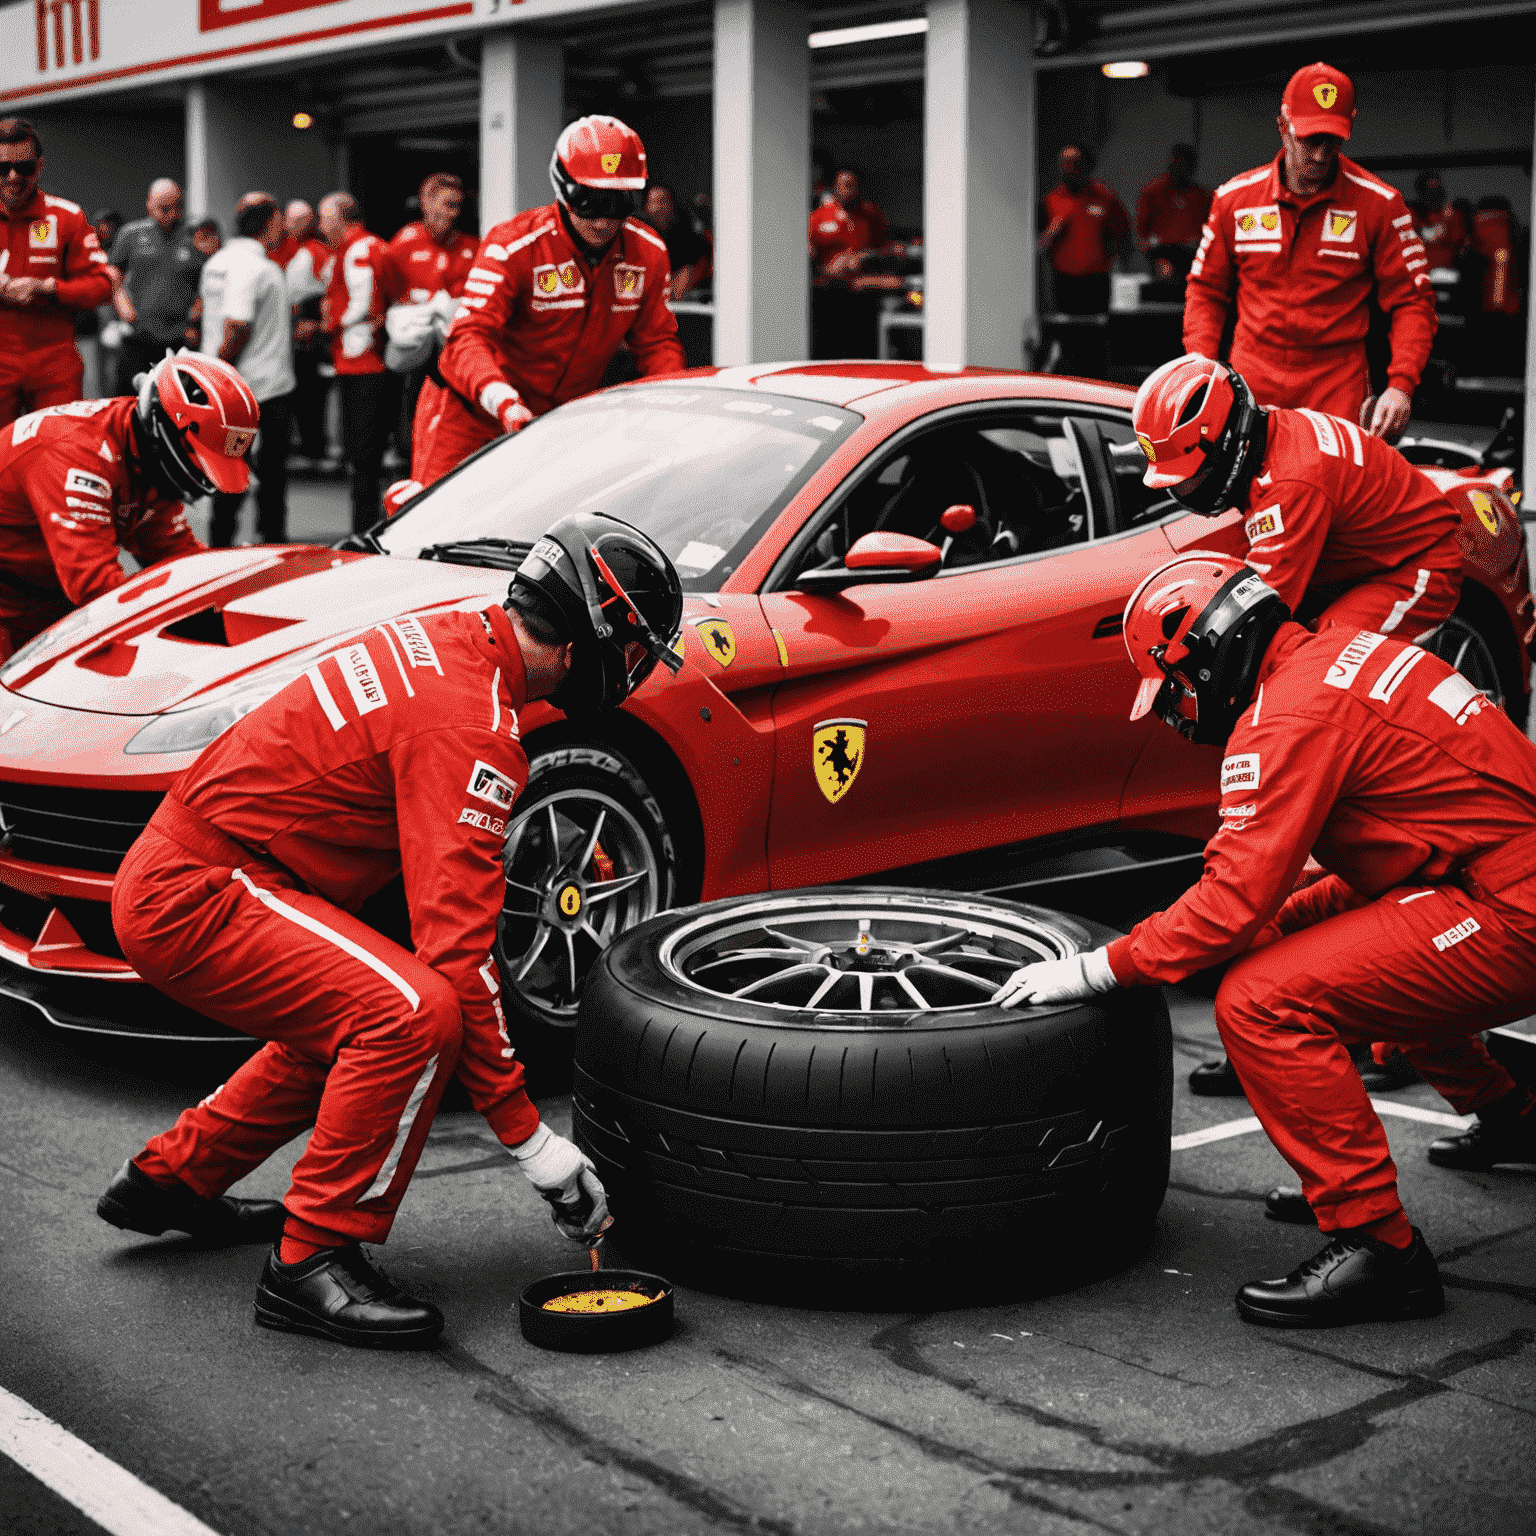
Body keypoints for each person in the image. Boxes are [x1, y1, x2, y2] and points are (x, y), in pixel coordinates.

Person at [97, 514, 685, 1350]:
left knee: (360, 1010)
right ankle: (311, 1261)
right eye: (634, 652)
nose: (631, 675)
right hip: (201, 888)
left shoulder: (453, 635)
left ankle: (171, 1181)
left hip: (199, 865)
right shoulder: (472, 724)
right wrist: (532, 1143)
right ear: (598, 630)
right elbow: (459, 953)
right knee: (411, 1014)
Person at [994, 551, 1536, 1328]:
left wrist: (1094, 971)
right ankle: (1511, 1115)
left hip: (1504, 902)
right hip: (1473, 866)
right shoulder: (1346, 649)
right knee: (1299, 935)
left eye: (1174, 686)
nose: (1178, 710)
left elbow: (1227, 906)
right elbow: (1272, 897)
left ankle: (1377, 1247)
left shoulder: (1286, 714)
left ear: (1209, 652)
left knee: (1261, 1001)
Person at [1132, 353, 1467, 1097]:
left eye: (1187, 478)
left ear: (1222, 445)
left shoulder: (1290, 486)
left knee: (1304, 711)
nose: (1185, 495)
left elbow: (1247, 638)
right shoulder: (1265, 449)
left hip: (1412, 566)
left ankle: (1347, 1013)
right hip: (1361, 563)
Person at [413, 115, 684, 488]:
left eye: (618, 201)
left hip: (556, 423)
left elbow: (656, 342)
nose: (603, 220)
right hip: (472, 412)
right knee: (435, 531)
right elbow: (469, 336)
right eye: (589, 200)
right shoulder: (512, 245)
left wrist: (673, 408)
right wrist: (502, 399)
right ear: (563, 185)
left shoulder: (648, 252)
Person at [1185, 63, 1436, 439]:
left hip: (1336, 387)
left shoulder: (1380, 204)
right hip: (1252, 381)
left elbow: (1413, 301)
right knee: (1249, 494)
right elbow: (1206, 289)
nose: (1320, 155)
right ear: (1283, 127)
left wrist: (1401, 385)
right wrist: (1200, 364)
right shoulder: (1233, 200)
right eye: (1310, 140)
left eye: (1332, 142)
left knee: (1332, 495)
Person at [0, 352, 253, 658]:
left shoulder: (141, 453)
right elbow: (96, 589)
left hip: (43, 591)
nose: (201, 480)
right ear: (166, 428)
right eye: (198, 460)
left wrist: (235, 584)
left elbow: (172, 555)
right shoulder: (79, 457)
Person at [0, 117, 112, 428]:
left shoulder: (67, 216)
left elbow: (103, 286)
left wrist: (47, 287)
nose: (12, 177)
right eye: (2, 168)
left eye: (23, 168)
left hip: (53, 359)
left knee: (59, 451)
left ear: (39, 165)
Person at [199, 193, 295, 547]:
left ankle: (220, 541)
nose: (283, 228)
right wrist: (223, 366)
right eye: (279, 221)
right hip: (262, 391)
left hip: (230, 390)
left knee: (228, 468)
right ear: (267, 224)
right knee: (268, 473)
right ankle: (271, 541)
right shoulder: (256, 267)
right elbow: (236, 326)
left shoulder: (218, 262)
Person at [318, 191, 396, 531]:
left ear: (340, 219)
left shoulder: (360, 248)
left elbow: (363, 303)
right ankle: (367, 524)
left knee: (363, 457)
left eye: (324, 219)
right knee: (368, 456)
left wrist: (328, 324)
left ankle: (364, 529)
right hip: (366, 360)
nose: (321, 227)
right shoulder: (364, 247)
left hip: (363, 361)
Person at [384, 172, 478, 451]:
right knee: (411, 419)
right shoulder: (402, 244)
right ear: (426, 203)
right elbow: (386, 290)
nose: (452, 213)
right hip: (413, 349)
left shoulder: (473, 248)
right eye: (447, 205)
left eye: (457, 206)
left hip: (454, 350)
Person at [1040, 146, 1132, 377]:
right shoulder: (1050, 201)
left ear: (1088, 166)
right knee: (1068, 345)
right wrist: (1052, 231)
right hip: (1065, 284)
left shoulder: (1105, 198)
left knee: (1096, 344)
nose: (1070, 169)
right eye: (1065, 164)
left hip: (1096, 283)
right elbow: (1037, 246)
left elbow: (1123, 236)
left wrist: (1122, 273)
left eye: (1076, 163)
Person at [110, 178, 205, 395]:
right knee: (131, 402)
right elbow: (114, 275)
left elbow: (205, 282)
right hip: (139, 335)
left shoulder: (193, 237)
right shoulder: (130, 234)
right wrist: (123, 305)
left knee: (176, 402)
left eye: (175, 207)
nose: (170, 214)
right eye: (163, 208)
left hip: (179, 337)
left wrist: (195, 318)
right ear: (149, 205)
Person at [282, 200, 332, 467]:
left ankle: (315, 445)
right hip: (294, 332)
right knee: (301, 393)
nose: (290, 226)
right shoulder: (288, 248)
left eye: (296, 220)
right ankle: (307, 443)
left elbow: (325, 294)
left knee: (312, 394)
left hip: (311, 334)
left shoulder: (316, 251)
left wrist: (314, 324)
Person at [1136, 144, 1211, 283]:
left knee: (1192, 286)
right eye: (1175, 163)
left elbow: (1210, 227)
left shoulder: (1202, 195)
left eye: (1184, 163)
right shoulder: (1154, 191)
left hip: (1191, 252)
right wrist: (1147, 248)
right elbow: (1142, 226)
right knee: (1166, 279)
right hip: (1162, 250)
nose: (1179, 168)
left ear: (1191, 166)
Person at [641, 182, 712, 299]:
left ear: (672, 207)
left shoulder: (690, 240)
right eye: (653, 202)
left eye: (663, 201)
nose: (658, 207)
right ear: (646, 208)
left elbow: (685, 279)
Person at [1411, 171, 1467, 272]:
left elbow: (1460, 245)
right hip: (1418, 272)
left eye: (1436, 191)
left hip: (1446, 272)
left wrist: (1446, 225)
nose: (1432, 196)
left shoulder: (1452, 215)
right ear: (1421, 192)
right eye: (1428, 191)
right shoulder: (1413, 215)